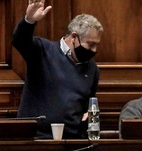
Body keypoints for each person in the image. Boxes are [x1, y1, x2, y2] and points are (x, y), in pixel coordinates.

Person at [12, 0, 103, 139]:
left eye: (97, 45)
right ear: (74, 37)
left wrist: (87, 116)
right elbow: (20, 40)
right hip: (36, 138)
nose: (94, 50)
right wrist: (29, 21)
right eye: (90, 45)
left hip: (72, 143)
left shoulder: (91, 68)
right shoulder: (43, 50)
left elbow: (88, 104)